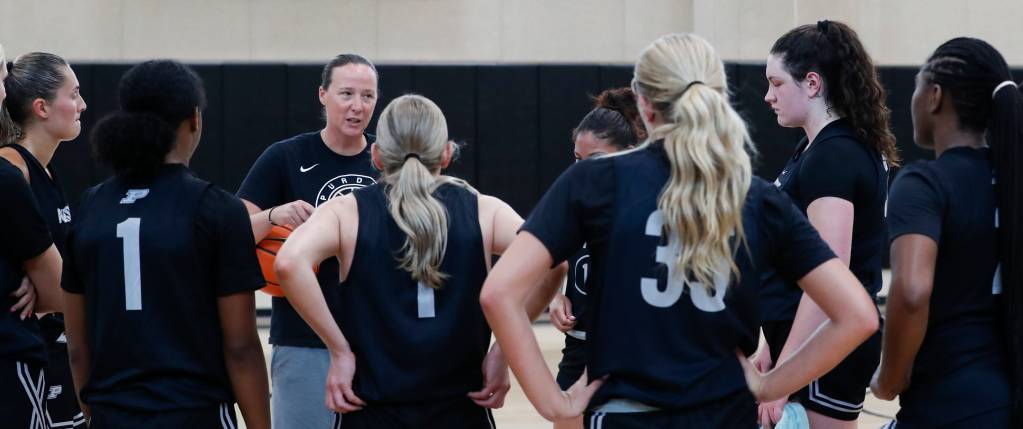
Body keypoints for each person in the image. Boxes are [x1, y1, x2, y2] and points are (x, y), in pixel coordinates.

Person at [480, 33, 879, 428]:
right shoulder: (756, 197)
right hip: (723, 415)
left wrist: (554, 403)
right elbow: (858, 315)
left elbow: (499, 293)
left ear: (643, 104)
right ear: (719, 99)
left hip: (624, 415)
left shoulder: (593, 182)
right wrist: (770, 384)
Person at [276, 94, 565, 428]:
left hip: (372, 410)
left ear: (377, 156)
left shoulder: (347, 211)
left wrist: (339, 351)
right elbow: (554, 262)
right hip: (460, 411)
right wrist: (504, 351)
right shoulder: (484, 210)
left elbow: (288, 263)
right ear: (445, 152)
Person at [61, 60, 269, 429]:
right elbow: (241, 348)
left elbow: (78, 346)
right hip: (194, 413)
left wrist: (96, 409)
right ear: (194, 119)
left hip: (113, 413)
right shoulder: (216, 209)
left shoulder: (92, 205)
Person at [870, 37, 1021, 428]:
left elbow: (912, 291)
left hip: (946, 406)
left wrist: (890, 378)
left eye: (919, 84)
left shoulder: (924, 183)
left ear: (935, 96)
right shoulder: (1011, 181)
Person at [756, 20, 896, 428]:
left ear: (812, 84)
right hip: (802, 344)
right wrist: (772, 348)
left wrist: (783, 378)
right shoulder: (816, 148)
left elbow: (827, 274)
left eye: (776, 83)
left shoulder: (834, 156)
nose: (768, 96)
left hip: (825, 349)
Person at [236, 53, 380, 429]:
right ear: (322, 94)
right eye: (346, 93)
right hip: (304, 341)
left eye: (367, 96)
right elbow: (230, 234)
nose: (357, 106)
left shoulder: (389, 160)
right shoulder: (285, 157)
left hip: (382, 339)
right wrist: (272, 217)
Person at [546, 87, 644, 429]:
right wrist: (555, 297)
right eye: (577, 159)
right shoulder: (573, 201)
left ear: (630, 154)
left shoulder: (648, 209)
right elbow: (554, 263)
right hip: (579, 350)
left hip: (633, 356)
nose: (582, 171)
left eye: (596, 160)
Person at [0, 51, 88, 428]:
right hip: (25, 348)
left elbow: (56, 281)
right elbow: (56, 288)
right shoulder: (14, 169)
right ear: (42, 108)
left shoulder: (48, 173)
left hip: (56, 344)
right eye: (74, 94)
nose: (83, 105)